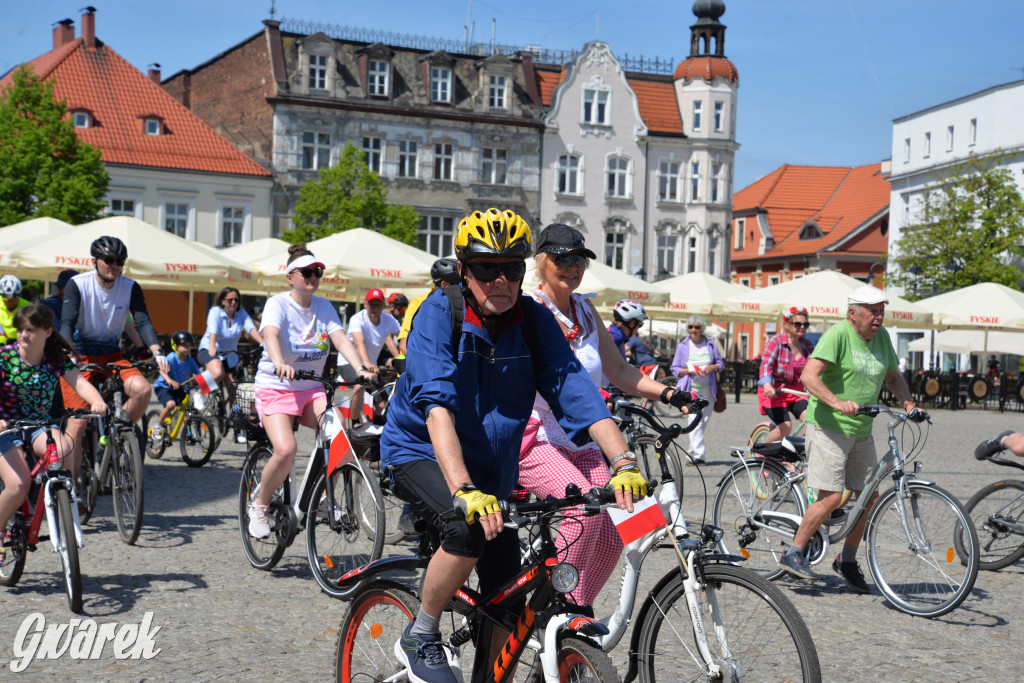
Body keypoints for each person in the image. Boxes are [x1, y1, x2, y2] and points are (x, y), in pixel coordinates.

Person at [381, 208, 648, 683]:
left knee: (507, 596)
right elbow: (437, 406)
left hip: (491, 465)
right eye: (487, 269)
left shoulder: (532, 321)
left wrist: (623, 459)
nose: (500, 279)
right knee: (465, 531)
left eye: (512, 268)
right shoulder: (440, 313)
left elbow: (576, 391)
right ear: (464, 270)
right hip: (421, 451)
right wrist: (463, 489)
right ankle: (421, 633)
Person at [518, 223, 696, 608]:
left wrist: (668, 391)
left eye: (579, 258)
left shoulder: (585, 309)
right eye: (562, 258)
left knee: (619, 518)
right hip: (536, 438)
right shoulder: (529, 310)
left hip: (582, 437)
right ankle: (556, 608)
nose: (572, 266)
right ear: (540, 262)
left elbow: (619, 371)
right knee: (584, 511)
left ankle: (575, 611)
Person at [778, 286, 919, 592]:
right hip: (829, 427)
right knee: (830, 497)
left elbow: (893, 377)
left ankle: (847, 560)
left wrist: (908, 403)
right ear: (853, 313)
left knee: (868, 499)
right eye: (873, 310)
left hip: (861, 430)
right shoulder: (838, 335)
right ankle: (793, 552)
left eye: (882, 310)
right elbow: (809, 376)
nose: (879, 316)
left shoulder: (882, 338)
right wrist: (837, 402)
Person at [246, 244, 372, 539]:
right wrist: (278, 362)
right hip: (277, 386)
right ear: (290, 276)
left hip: (311, 388)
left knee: (340, 440)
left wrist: (361, 368)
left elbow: (340, 339)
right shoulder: (277, 304)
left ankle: (327, 500)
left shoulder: (324, 306)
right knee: (286, 449)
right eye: (307, 272)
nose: (314, 276)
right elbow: (271, 335)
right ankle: (260, 506)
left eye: (318, 272)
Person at [0, 305, 106, 563]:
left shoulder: (56, 359)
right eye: (21, 329)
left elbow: (80, 383)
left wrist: (97, 402)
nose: (23, 335)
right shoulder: (4, 357)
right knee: (18, 485)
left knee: (62, 448)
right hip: (6, 427)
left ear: (48, 332)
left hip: (39, 425)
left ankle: (62, 495)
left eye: (31, 330)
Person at [60, 236, 170, 484]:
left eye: (119, 261)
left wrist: (158, 351)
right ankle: (72, 491)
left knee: (142, 390)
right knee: (76, 427)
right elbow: (66, 323)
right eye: (108, 260)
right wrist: (68, 352)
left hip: (112, 354)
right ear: (95, 261)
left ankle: (115, 434)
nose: (114, 266)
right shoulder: (78, 284)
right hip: (82, 354)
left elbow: (142, 321)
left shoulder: (130, 287)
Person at [198, 287, 264, 443]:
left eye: (236, 299)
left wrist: (264, 344)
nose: (234, 302)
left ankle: (238, 429)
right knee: (217, 373)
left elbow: (251, 328)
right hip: (209, 349)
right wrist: (212, 347)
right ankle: (198, 392)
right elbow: (212, 330)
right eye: (230, 299)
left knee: (235, 392)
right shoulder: (215, 311)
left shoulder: (241, 314)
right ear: (223, 301)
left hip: (230, 355)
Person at [337, 288, 401, 425]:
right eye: (371, 304)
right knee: (361, 383)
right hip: (348, 362)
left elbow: (402, 338)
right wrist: (367, 364)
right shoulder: (357, 319)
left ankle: (375, 431)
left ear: (384, 305)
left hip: (370, 366)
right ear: (365, 304)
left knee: (382, 405)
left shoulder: (389, 320)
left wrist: (404, 359)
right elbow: (359, 343)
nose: (374, 308)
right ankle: (355, 423)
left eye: (378, 304)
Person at [670, 314, 725, 465]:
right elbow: (674, 368)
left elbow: (720, 364)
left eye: (697, 327)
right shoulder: (683, 345)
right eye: (690, 327)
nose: (693, 330)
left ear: (702, 329)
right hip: (690, 389)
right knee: (694, 419)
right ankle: (699, 455)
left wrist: (713, 367)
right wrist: (688, 371)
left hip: (709, 389)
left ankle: (692, 452)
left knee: (703, 421)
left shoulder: (711, 344)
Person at [757, 306, 814, 443]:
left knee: (812, 421)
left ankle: (804, 456)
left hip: (796, 394)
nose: (802, 327)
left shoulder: (808, 345)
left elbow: (815, 369)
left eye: (805, 324)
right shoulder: (776, 342)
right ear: (787, 325)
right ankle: (763, 455)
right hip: (775, 392)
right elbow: (766, 365)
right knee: (785, 427)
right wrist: (767, 386)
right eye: (797, 324)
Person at [397, 258, 461, 355]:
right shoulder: (419, 302)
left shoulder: (457, 305)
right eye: (458, 285)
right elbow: (404, 345)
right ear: (445, 285)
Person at [149, 331, 202, 443]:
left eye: (189, 345)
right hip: (164, 387)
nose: (187, 348)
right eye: (184, 345)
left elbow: (198, 375)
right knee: (171, 404)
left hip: (180, 387)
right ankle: (157, 427)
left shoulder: (190, 360)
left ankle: (188, 434)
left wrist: (205, 383)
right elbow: (161, 370)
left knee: (188, 409)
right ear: (175, 346)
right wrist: (169, 380)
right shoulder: (171, 357)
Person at [0, 275, 31, 344]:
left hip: (18, 349)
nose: (9, 302)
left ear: (19, 295)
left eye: (13, 299)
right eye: (6, 299)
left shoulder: (28, 307)